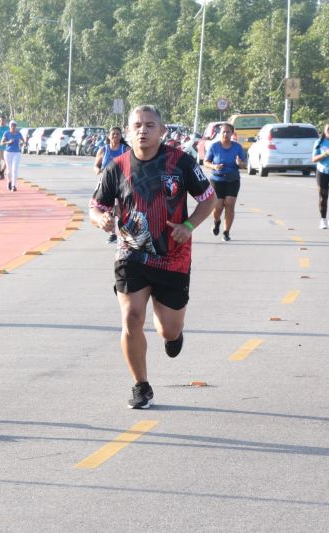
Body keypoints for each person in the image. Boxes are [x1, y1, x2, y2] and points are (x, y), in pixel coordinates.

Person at [89, 105, 215, 409]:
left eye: (149, 125)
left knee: (167, 329)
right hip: (131, 255)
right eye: (137, 126)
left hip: (172, 256)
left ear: (162, 130)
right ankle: (141, 385)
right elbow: (95, 207)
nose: (142, 131)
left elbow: (208, 199)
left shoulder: (181, 163)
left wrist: (188, 225)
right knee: (131, 317)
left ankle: (174, 335)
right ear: (128, 130)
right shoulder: (116, 167)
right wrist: (101, 220)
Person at [203, 123, 246, 241]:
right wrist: (214, 166)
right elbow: (206, 162)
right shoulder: (214, 147)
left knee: (229, 204)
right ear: (220, 133)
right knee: (218, 207)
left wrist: (240, 164)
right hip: (217, 180)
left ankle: (226, 232)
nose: (226, 134)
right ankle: (217, 222)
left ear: (232, 134)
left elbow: (244, 165)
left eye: (228, 132)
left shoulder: (237, 147)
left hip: (233, 179)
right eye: (224, 132)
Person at [94, 127, 131, 244]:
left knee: (120, 208)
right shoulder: (103, 150)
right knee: (106, 207)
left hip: (122, 182)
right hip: (106, 183)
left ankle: (122, 231)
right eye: (113, 134)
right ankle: (112, 233)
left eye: (118, 134)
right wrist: (99, 172)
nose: (115, 136)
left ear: (121, 136)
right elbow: (96, 165)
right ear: (109, 136)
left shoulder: (125, 149)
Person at [1, 121, 24, 191]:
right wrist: (8, 142)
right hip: (8, 153)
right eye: (12, 125)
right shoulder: (6, 133)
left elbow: (23, 141)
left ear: (16, 126)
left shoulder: (18, 133)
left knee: (15, 169)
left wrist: (22, 143)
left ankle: (14, 185)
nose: (13, 127)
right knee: (9, 170)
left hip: (17, 153)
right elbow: (1, 143)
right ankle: (9, 181)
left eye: (14, 125)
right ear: (9, 126)